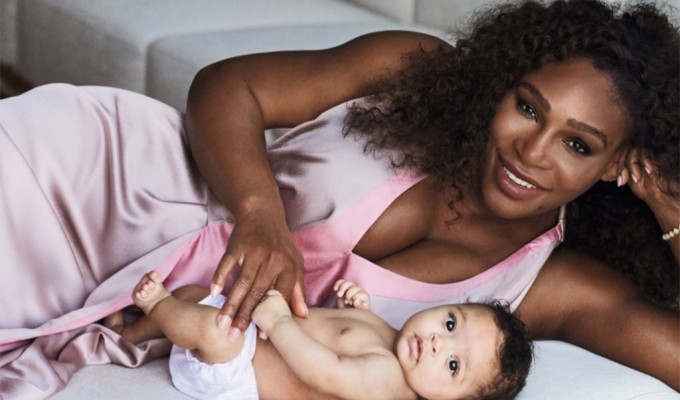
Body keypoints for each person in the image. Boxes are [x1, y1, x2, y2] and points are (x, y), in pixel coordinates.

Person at [0, 0, 678, 397]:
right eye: (527, 107)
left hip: (146, 310)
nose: (532, 151)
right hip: (93, 184)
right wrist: (261, 215)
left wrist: (671, 212)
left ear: (619, 165)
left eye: (578, 145)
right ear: (504, 84)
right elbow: (230, 86)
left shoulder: (552, 282)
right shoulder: (417, 71)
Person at [110, 271, 532, 400]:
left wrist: (278, 323)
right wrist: (348, 309)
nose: (439, 343)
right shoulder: (392, 336)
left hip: (237, 372)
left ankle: (157, 307)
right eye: (451, 324)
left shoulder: (389, 382)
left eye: (453, 366)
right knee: (199, 296)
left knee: (216, 330)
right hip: (253, 330)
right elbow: (333, 335)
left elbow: (326, 372)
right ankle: (132, 332)